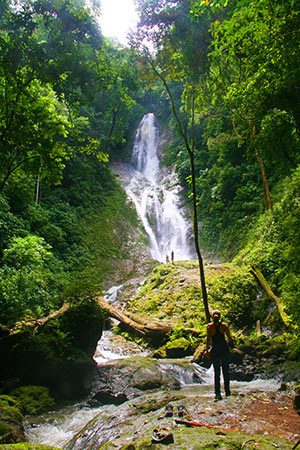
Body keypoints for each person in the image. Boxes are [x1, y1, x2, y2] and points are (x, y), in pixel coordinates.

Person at [205, 309, 233, 401]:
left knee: (217, 372)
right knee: (225, 371)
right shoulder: (224, 326)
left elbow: (208, 340)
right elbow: (229, 338)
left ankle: (218, 393)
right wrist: (232, 347)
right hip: (223, 349)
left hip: (216, 350)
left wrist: (207, 350)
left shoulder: (210, 327)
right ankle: (227, 392)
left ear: (213, 317)